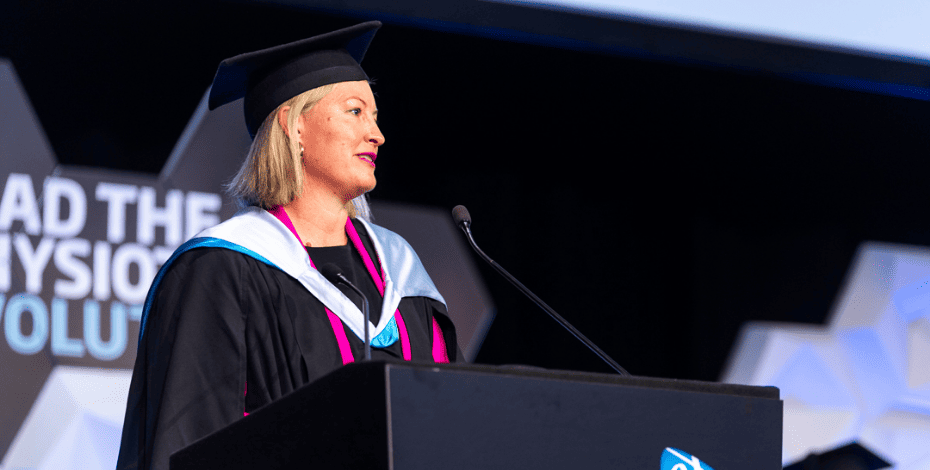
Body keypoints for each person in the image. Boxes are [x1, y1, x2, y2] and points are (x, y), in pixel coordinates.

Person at [116, 21, 460, 470]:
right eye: (356, 112)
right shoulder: (223, 269)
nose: (377, 134)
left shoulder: (402, 278)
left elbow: (456, 422)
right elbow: (189, 441)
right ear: (294, 125)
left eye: (375, 117)